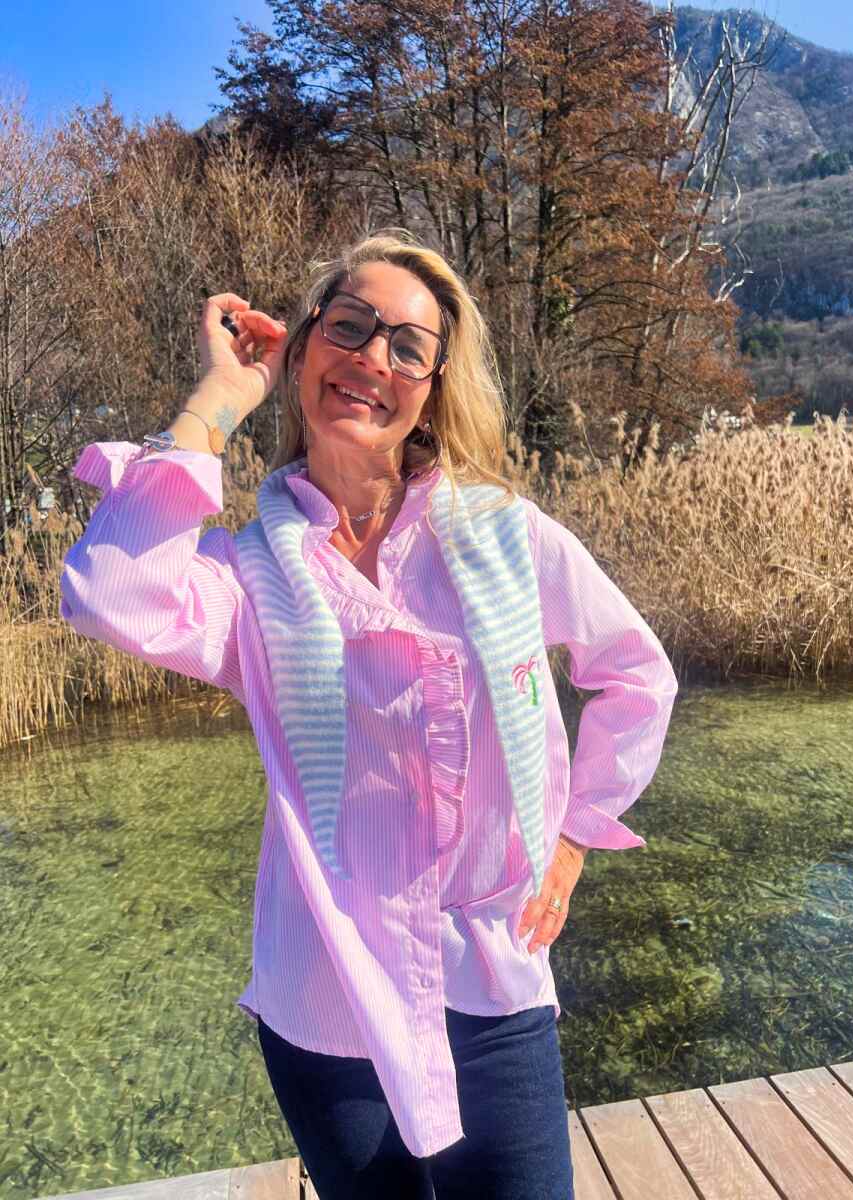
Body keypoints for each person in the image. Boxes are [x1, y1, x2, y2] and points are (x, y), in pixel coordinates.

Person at [59, 230, 678, 1200]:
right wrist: (218, 399)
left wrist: (574, 835)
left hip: (492, 978)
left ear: (433, 386)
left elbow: (638, 674)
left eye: (408, 347)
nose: (372, 359)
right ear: (304, 345)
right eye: (348, 326)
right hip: (326, 996)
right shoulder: (252, 575)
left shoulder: (505, 536)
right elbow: (111, 594)